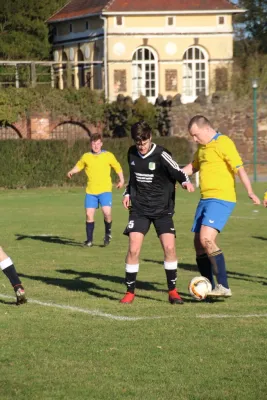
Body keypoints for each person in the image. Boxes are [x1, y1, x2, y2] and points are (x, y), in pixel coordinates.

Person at [182, 115, 261, 297]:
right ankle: (207, 287)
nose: (194, 139)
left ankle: (223, 286)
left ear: (206, 129)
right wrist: (172, 174)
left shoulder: (224, 142)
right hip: (205, 199)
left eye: (195, 135)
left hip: (222, 198)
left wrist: (250, 191)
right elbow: (192, 167)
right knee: (198, 244)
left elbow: (239, 168)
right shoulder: (202, 149)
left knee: (206, 239)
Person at [120, 121, 194, 304]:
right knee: (133, 249)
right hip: (139, 209)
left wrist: (185, 182)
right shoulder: (131, 153)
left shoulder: (161, 154)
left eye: (144, 143)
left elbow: (178, 171)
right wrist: (127, 192)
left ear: (150, 138)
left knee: (169, 248)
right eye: (138, 144)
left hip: (162, 210)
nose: (141, 147)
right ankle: (130, 292)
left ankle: (173, 292)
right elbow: (133, 178)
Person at [67, 133, 124, 247]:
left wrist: (121, 180)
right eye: (94, 144)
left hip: (105, 190)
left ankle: (108, 233)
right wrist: (72, 171)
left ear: (101, 144)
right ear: (91, 144)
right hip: (91, 191)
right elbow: (79, 165)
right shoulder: (86, 156)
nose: (96, 146)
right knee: (89, 214)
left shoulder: (108, 155)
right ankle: (89, 240)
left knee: (107, 213)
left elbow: (117, 167)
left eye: (98, 144)